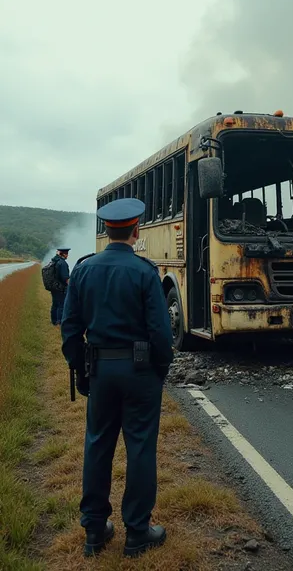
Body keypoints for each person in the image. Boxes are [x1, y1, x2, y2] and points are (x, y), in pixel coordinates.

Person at [60, 198, 174, 558]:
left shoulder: (82, 270)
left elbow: (70, 328)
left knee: (97, 445)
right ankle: (137, 533)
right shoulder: (145, 272)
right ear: (137, 229)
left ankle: (95, 531)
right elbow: (161, 333)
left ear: (107, 230)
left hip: (100, 371)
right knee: (140, 449)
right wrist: (159, 370)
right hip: (140, 373)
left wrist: (80, 368)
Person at [51, 247, 70, 326]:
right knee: (61, 305)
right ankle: (59, 322)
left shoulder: (54, 261)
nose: (67, 256)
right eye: (66, 254)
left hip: (54, 286)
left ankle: (54, 320)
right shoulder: (62, 263)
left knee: (55, 304)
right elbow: (65, 278)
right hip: (60, 287)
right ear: (64, 254)